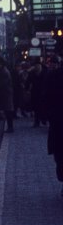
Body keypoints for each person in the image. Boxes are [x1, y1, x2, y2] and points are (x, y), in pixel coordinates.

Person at [44, 56, 63, 197]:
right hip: (57, 120)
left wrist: (47, 115)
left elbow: (46, 97)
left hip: (57, 121)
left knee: (59, 153)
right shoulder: (53, 76)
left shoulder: (52, 76)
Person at [0, 57, 15, 132]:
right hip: (4, 94)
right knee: (7, 110)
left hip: (6, 94)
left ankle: (10, 127)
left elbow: (3, 84)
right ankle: (10, 127)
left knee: (8, 111)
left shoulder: (4, 72)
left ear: (1, 64)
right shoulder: (2, 70)